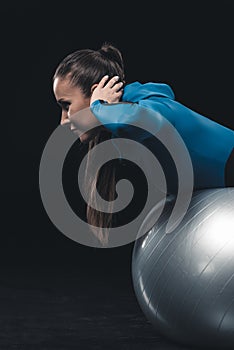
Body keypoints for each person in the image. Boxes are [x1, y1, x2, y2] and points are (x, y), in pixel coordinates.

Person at [53, 42, 234, 246]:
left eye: (66, 105)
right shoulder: (118, 135)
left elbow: (143, 122)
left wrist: (98, 107)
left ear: (97, 92)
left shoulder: (144, 105)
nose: (63, 120)